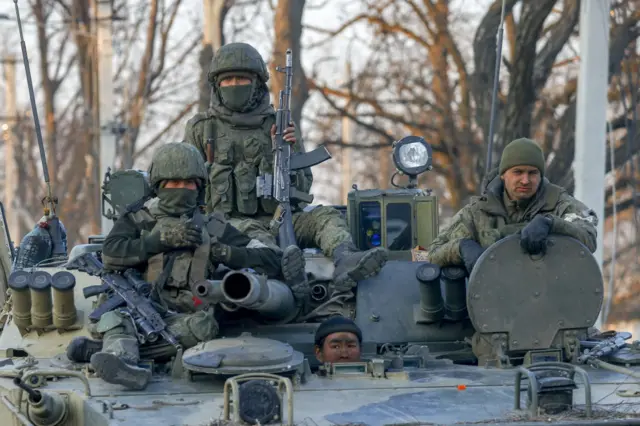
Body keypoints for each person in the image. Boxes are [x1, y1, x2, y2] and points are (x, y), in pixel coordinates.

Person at [65, 143, 308, 390]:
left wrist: (226, 252)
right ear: (159, 185)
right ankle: (123, 363)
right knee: (116, 319)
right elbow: (111, 254)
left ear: (199, 187)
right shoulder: (140, 218)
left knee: (205, 327)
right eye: (173, 183)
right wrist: (159, 241)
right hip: (138, 308)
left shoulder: (212, 226)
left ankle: (117, 350)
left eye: (189, 183)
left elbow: (270, 258)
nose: (181, 189)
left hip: (187, 317)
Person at [182, 42, 388, 293]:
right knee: (262, 244)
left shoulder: (278, 124)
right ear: (217, 85)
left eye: (243, 79)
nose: (235, 85)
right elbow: (185, 186)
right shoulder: (202, 129)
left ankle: (346, 260)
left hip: (282, 216)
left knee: (325, 217)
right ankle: (292, 282)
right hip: (232, 225)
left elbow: (303, 189)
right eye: (228, 80)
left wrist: (287, 149)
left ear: (257, 84)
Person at [426, 138, 598, 273]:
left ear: (540, 175)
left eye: (532, 173)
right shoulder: (478, 213)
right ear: (503, 175)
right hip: (493, 304)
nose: (525, 180)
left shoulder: (559, 203)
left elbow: (588, 236)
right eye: (518, 172)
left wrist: (551, 224)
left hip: (549, 304)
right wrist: (462, 247)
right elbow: (433, 253)